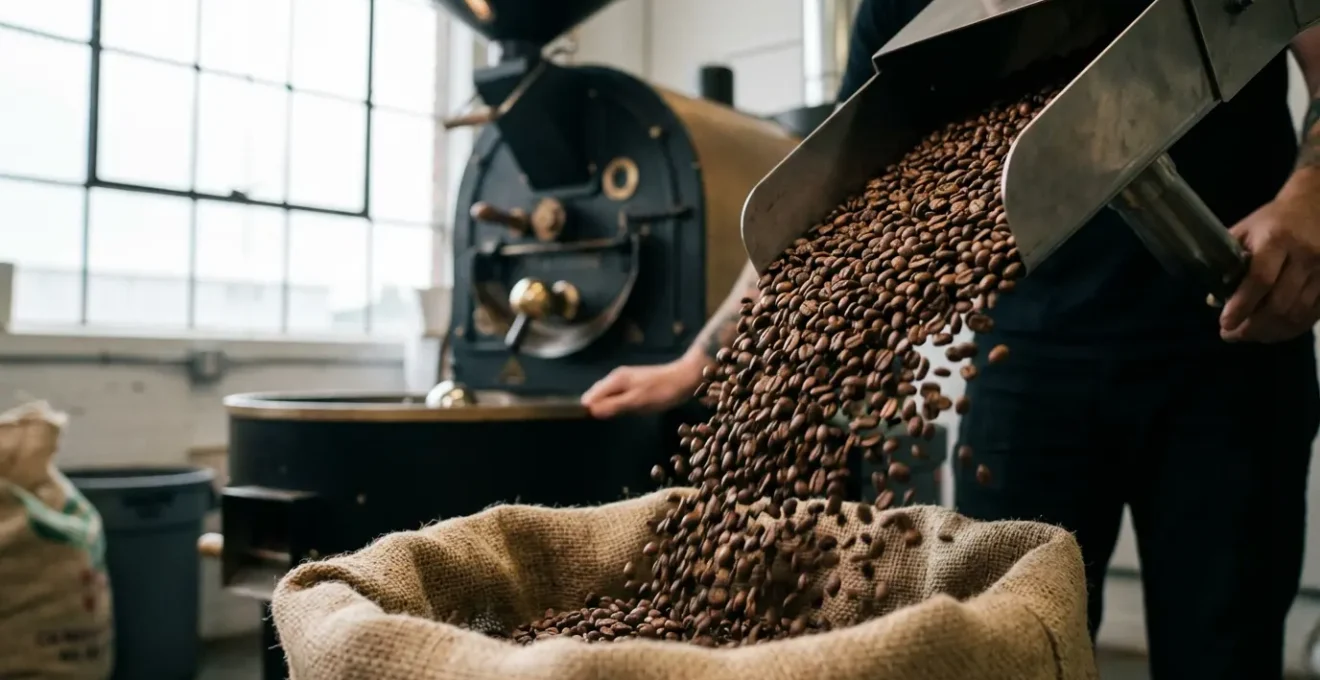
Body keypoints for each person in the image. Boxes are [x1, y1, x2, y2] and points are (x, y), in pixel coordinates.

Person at [584, 2, 1320, 676]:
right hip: (1025, 361)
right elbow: (830, 201)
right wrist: (705, 358)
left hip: (1232, 333)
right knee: (1007, 649)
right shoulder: (900, 8)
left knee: (1223, 652)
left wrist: (1308, 201)